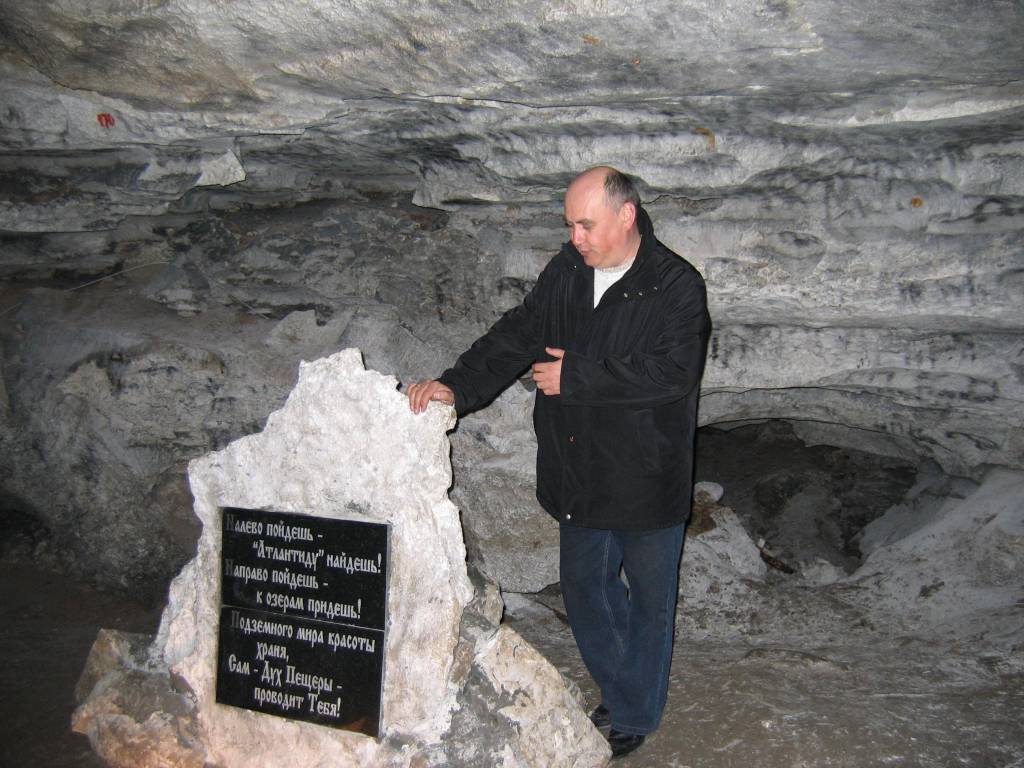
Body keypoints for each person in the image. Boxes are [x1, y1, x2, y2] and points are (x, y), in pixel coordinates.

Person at [407, 166, 710, 759]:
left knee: (650, 604)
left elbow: (675, 374)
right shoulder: (568, 270)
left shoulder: (675, 284)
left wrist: (578, 376)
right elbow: (518, 334)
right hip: (579, 466)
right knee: (585, 589)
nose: (576, 237)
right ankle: (624, 691)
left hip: (647, 473)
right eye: (570, 224)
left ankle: (633, 713)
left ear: (627, 216)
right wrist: (456, 386)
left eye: (586, 225)